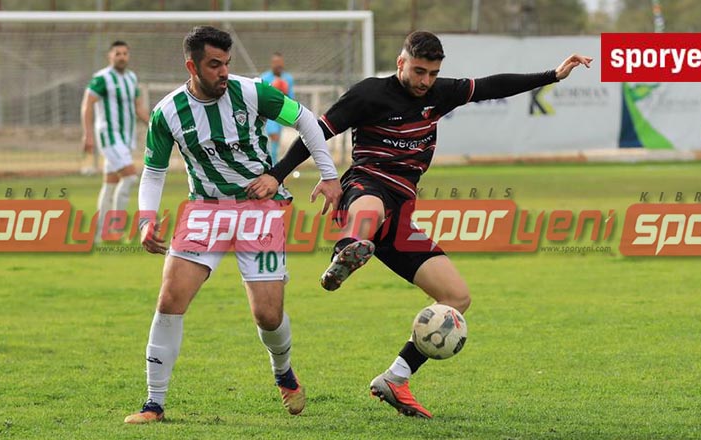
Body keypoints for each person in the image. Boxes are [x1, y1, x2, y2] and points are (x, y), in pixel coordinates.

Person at [246, 31, 591, 418]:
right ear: (401, 63)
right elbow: (316, 132)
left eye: (433, 73)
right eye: (419, 70)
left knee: (458, 298)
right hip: (365, 184)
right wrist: (277, 175)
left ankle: (395, 377)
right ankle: (347, 250)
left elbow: (493, 86)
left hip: (402, 211)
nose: (425, 80)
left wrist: (552, 75)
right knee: (370, 209)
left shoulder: (439, 94)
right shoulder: (369, 95)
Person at [124, 26, 341, 424]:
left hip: (258, 208)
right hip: (204, 210)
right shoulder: (167, 112)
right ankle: (153, 404)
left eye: (226, 63)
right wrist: (146, 219)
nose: (224, 72)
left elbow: (307, 120)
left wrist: (327, 176)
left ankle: (283, 372)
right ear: (192, 66)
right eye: (214, 65)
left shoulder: (252, 92)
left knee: (267, 316)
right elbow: (154, 171)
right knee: (170, 299)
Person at [81, 40, 150, 241]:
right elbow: (87, 105)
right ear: (109, 56)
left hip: (125, 138)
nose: (121, 57)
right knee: (129, 177)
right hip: (109, 136)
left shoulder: (131, 78)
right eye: (117, 53)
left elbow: (138, 109)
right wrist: (87, 134)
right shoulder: (102, 78)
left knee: (110, 184)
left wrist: (155, 127)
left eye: (124, 53)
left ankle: (99, 234)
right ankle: (116, 228)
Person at [260, 52, 296, 162]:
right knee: (273, 137)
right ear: (272, 64)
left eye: (279, 62)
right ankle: (273, 167)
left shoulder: (288, 78)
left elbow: (291, 97)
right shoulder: (264, 78)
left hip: (281, 114)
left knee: (275, 143)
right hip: (267, 114)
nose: (278, 65)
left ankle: (271, 165)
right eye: (275, 62)